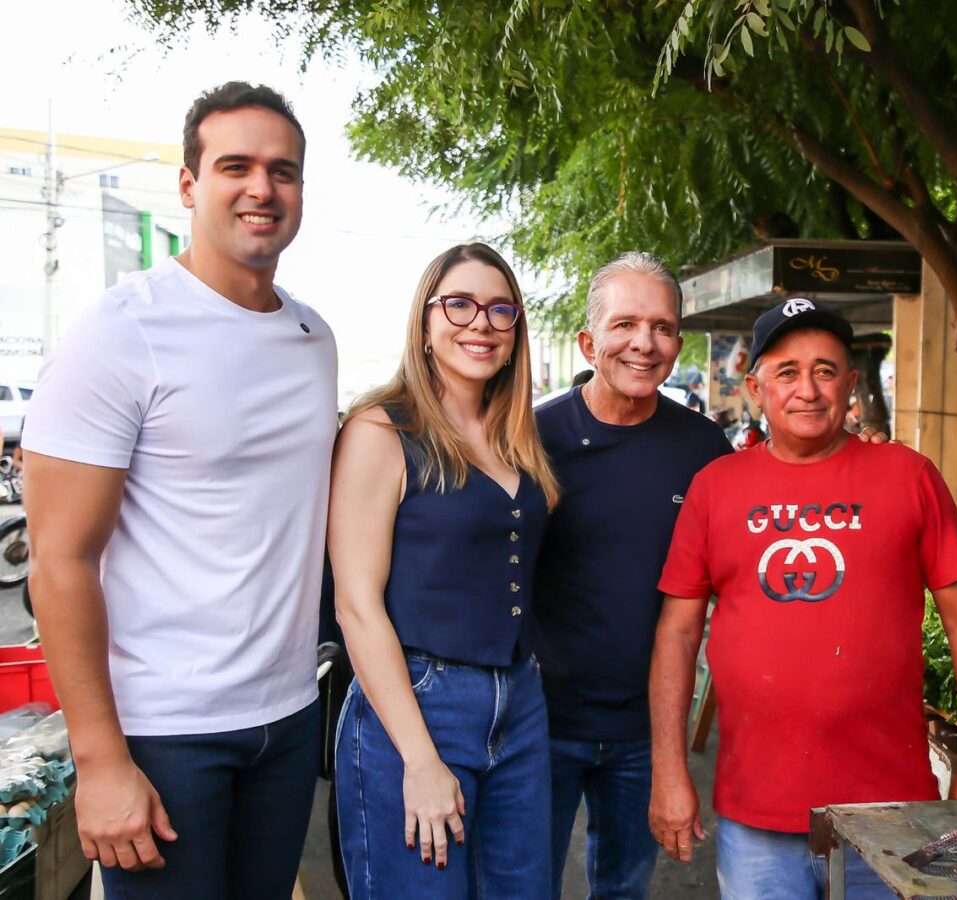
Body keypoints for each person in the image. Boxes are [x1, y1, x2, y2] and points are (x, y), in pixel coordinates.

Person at [21, 83, 335, 898]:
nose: (262, 188)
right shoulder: (120, 334)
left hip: (290, 719)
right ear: (191, 185)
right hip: (166, 736)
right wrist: (98, 761)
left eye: (283, 170)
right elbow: (58, 561)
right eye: (235, 166)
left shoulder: (313, 338)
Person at [649, 299, 957, 900]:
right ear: (755, 387)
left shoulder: (908, 475)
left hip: (890, 811)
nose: (807, 389)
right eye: (787, 372)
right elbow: (677, 634)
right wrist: (669, 771)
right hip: (755, 814)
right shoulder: (716, 488)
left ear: (852, 384)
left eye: (825, 370)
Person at [329, 243, 560, 898]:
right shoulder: (382, 429)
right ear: (425, 322)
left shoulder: (517, 434)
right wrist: (419, 758)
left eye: (500, 309)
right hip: (418, 703)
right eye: (458, 304)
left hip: (520, 702)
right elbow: (356, 606)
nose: (480, 323)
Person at [532, 252, 732, 899]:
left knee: (621, 890)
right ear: (590, 341)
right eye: (625, 325)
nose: (644, 343)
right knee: (519, 887)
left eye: (663, 327)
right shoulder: (532, 437)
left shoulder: (704, 452)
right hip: (539, 725)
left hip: (645, 730)